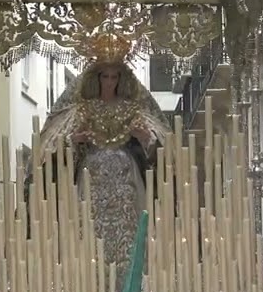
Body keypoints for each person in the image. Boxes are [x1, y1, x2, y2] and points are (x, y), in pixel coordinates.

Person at [39, 34, 169, 268]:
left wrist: (145, 139)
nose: (109, 82)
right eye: (105, 77)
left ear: (122, 79)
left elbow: (157, 149)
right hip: (92, 177)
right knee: (88, 228)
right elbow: (57, 147)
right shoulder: (84, 108)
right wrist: (74, 140)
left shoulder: (132, 108)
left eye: (114, 77)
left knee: (129, 233)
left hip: (126, 180)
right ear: (96, 78)